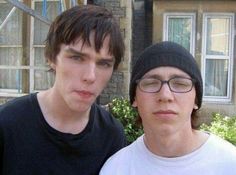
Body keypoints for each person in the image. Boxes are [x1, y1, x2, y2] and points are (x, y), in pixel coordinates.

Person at [0, 5, 126, 175]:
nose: (90, 76)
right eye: (77, 58)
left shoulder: (111, 135)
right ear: (52, 57)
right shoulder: (7, 125)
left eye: (104, 63)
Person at [100, 41, 236, 175]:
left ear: (196, 99)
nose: (165, 95)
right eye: (151, 83)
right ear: (135, 98)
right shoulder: (115, 168)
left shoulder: (230, 164)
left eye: (180, 84)